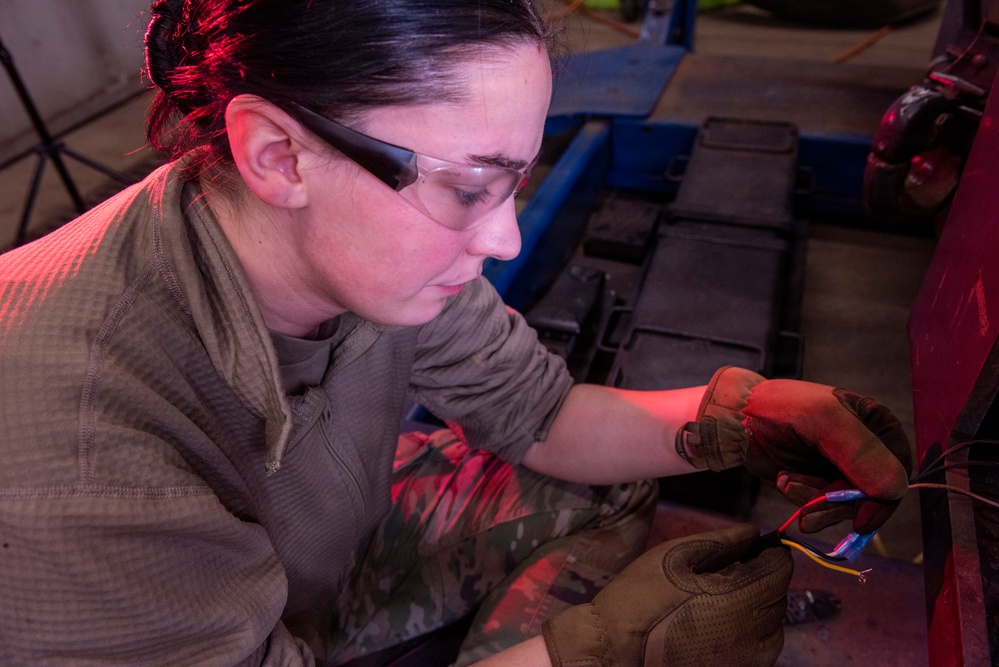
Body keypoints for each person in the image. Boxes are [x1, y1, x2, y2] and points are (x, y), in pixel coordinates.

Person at [0, 0, 912, 665]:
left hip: (301, 572)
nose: (502, 237)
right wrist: (589, 651)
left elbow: (540, 416)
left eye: (511, 183)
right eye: (470, 187)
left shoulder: (356, 249)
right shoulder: (70, 453)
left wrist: (736, 419)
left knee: (601, 490)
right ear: (278, 155)